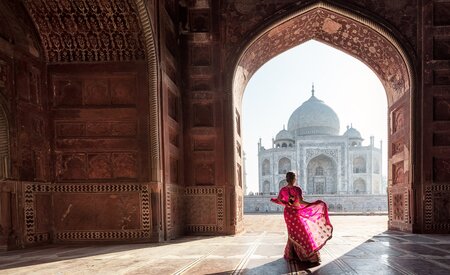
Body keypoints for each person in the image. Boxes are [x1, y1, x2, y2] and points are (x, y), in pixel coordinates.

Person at [271, 171, 333, 264]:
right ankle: (307, 254)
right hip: (295, 212)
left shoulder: (283, 189)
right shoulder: (297, 189)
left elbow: (279, 200)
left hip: (288, 213)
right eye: (295, 177)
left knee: (292, 233)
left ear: (287, 179)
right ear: (294, 179)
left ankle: (292, 254)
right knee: (302, 231)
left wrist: (286, 204)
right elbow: (301, 202)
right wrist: (312, 204)